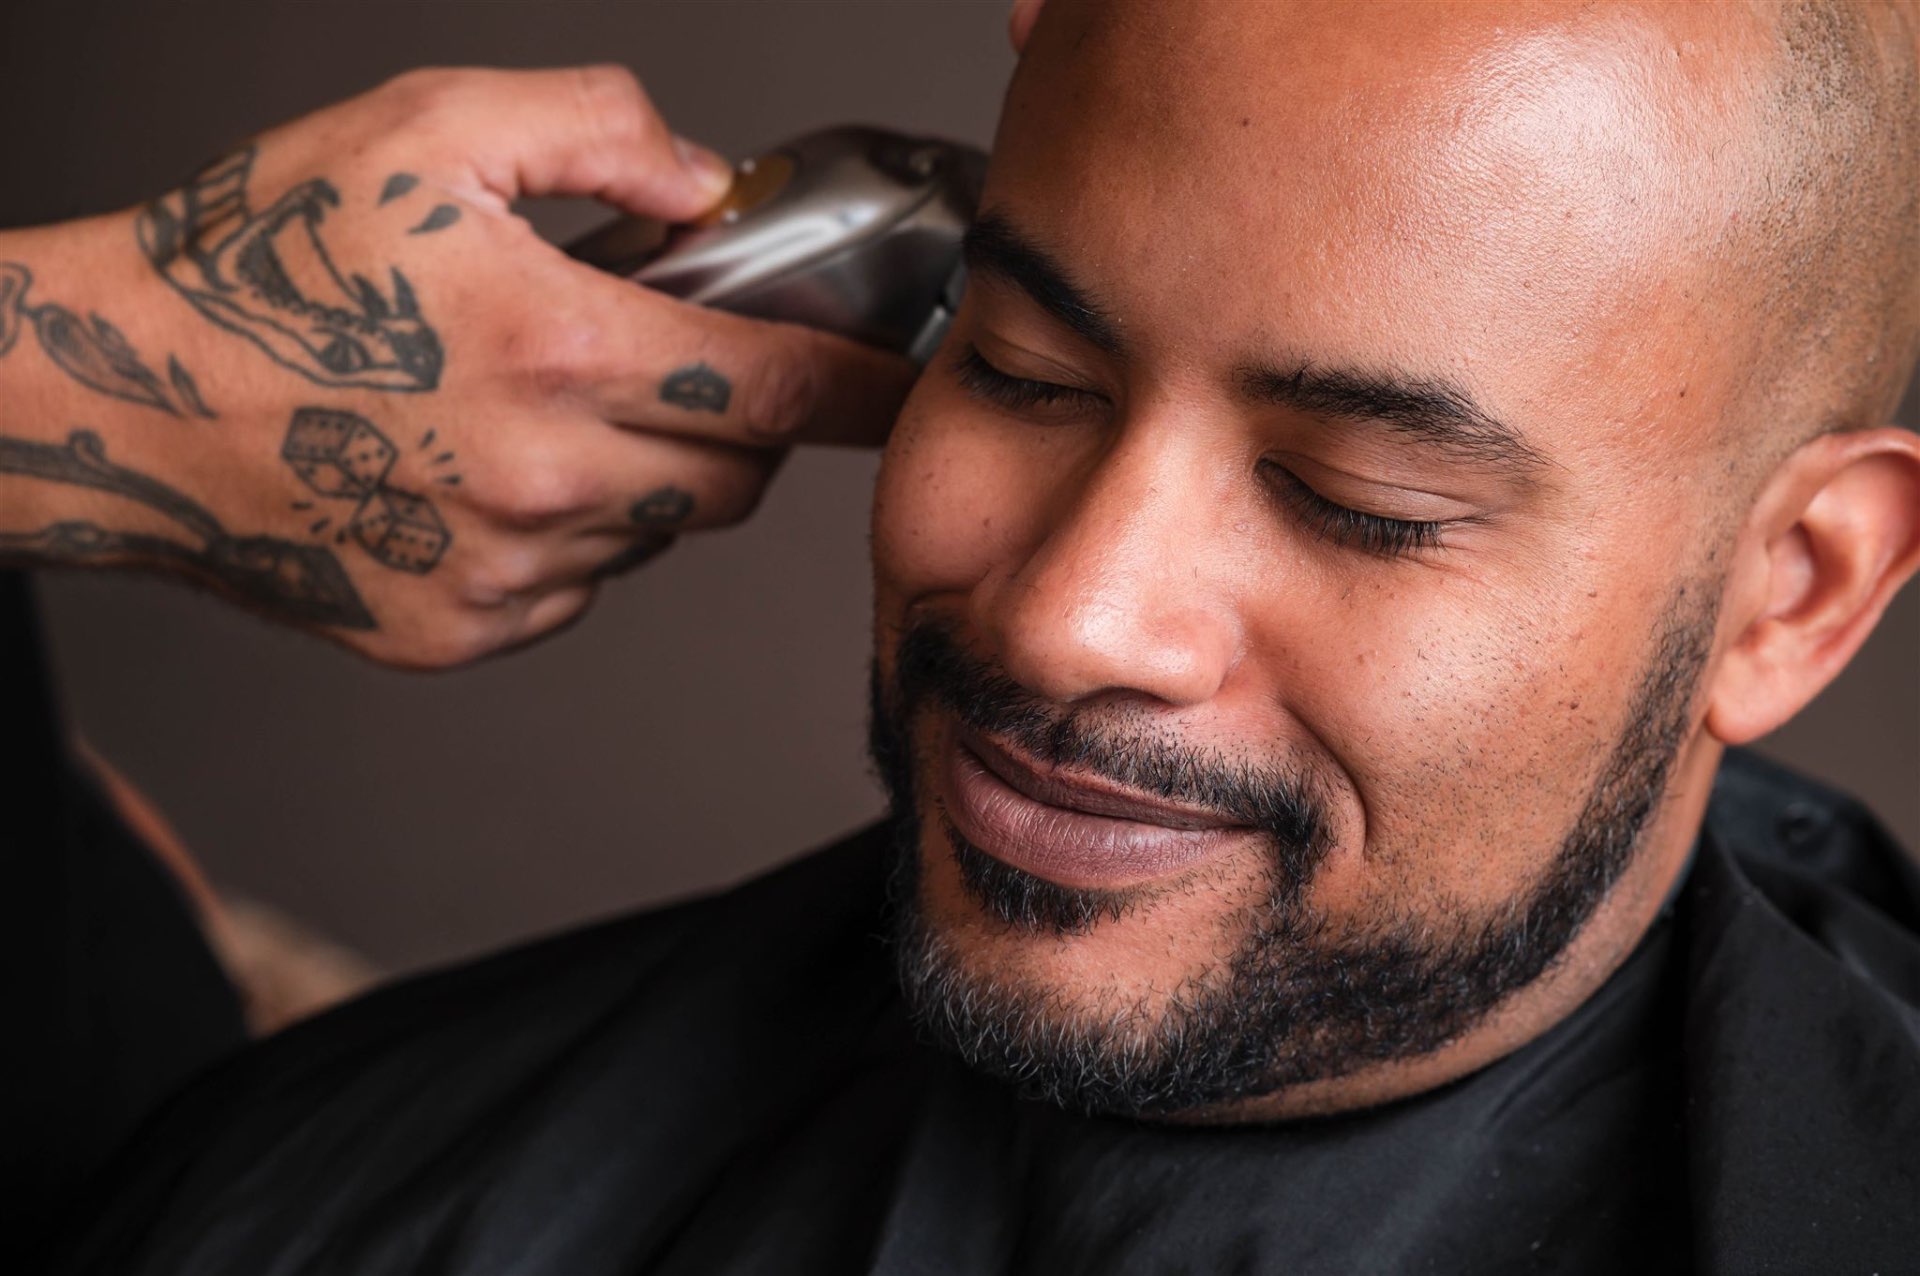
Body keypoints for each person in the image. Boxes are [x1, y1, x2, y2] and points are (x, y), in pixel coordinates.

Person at [15, 0, 1920, 1270]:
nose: (1070, 611)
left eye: (1362, 502)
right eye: (1020, 371)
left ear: (1800, 588)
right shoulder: (336, 1194)